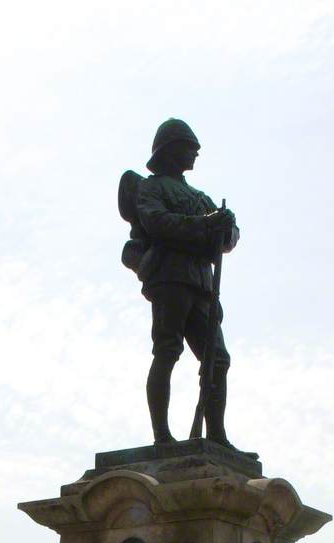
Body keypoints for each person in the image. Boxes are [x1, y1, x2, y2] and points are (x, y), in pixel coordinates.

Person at [134, 119, 239, 445]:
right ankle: (162, 436)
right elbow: (156, 222)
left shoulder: (200, 196)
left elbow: (228, 241)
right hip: (170, 275)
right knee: (167, 351)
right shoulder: (152, 188)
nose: (195, 153)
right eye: (188, 147)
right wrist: (203, 224)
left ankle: (216, 435)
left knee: (217, 359)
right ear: (170, 150)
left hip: (201, 282)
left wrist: (227, 227)